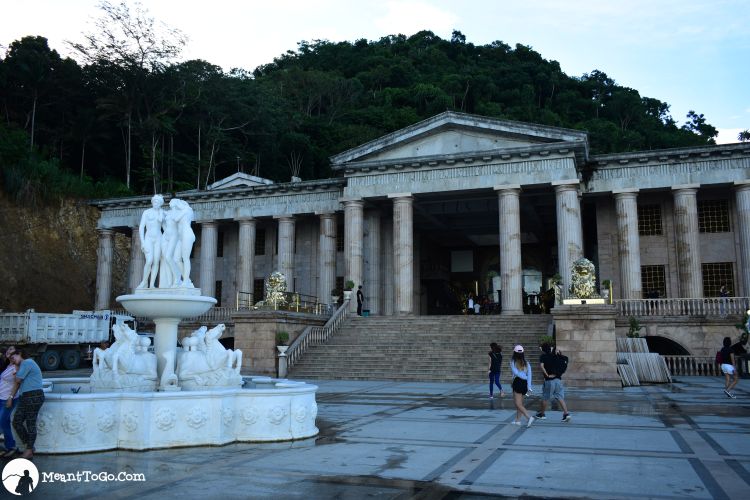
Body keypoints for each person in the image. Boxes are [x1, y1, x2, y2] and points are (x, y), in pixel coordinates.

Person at [7, 349, 44, 459]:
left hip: (34, 395)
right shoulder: (23, 364)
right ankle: (30, 447)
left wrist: (16, 371)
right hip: (26, 397)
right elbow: (18, 380)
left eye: (13, 358)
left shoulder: (27, 362)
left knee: (30, 423)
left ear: (20, 354)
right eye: (11, 360)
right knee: (17, 422)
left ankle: (28, 450)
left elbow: (17, 380)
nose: (13, 361)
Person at [535, 343, 572, 422]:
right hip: (558, 380)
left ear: (543, 349)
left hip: (549, 381)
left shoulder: (543, 356)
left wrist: (547, 375)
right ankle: (566, 414)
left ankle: (542, 414)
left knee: (545, 397)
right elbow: (562, 362)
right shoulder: (555, 356)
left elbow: (542, 366)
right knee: (560, 397)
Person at [137, 194, 165, 288]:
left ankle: (152, 284)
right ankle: (144, 282)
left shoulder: (162, 212)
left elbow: (166, 227)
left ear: (160, 203)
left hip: (159, 238)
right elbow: (141, 228)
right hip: (148, 237)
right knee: (149, 261)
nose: (155, 203)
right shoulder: (146, 212)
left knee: (156, 261)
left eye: (157, 202)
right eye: (154, 201)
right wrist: (142, 242)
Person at [0, 346, 19, 457]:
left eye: (11, 349)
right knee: (5, 423)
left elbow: (17, 383)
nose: (8, 350)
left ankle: (11, 446)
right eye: (8, 349)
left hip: (8, 399)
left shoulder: (16, 366)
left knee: (1, 421)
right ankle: (10, 447)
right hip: (1, 397)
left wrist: (10, 397)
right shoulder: (8, 365)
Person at [510, 345, 534, 427]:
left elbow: (515, 372)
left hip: (518, 382)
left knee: (518, 404)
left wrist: (524, 377)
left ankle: (529, 417)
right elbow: (530, 375)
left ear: (514, 352)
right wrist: (529, 387)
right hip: (525, 383)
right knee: (520, 403)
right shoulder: (527, 363)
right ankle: (517, 420)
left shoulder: (513, 361)